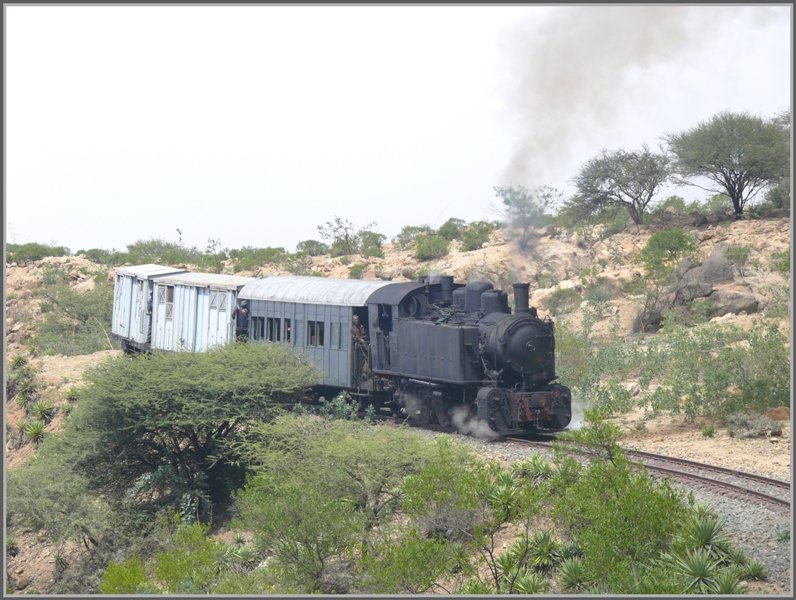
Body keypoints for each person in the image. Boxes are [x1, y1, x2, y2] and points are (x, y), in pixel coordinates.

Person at [351, 314, 370, 380]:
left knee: (367, 357)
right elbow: (352, 337)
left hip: (363, 344)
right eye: (355, 319)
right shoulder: (352, 328)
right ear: (353, 320)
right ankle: (357, 374)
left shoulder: (362, 327)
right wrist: (358, 339)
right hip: (356, 346)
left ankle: (364, 373)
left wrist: (362, 339)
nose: (356, 320)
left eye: (357, 319)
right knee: (357, 360)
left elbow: (366, 336)